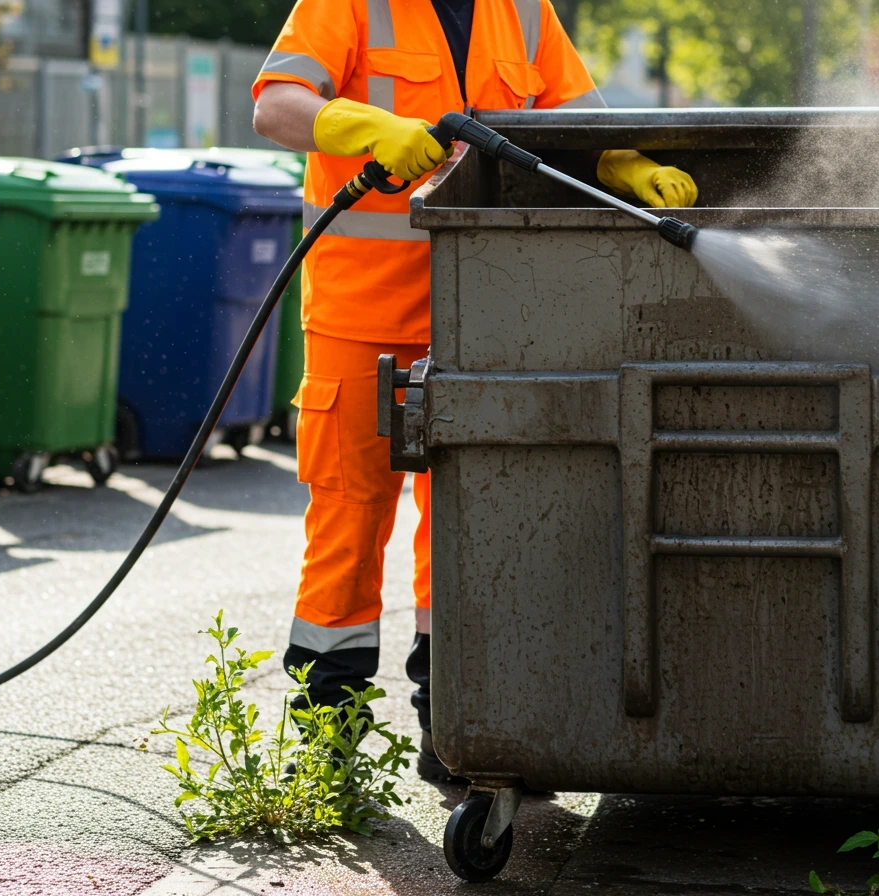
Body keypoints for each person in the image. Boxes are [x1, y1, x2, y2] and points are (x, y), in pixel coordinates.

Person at [253, 0, 698, 782]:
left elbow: (581, 126)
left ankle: (457, 727)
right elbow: (276, 105)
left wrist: (624, 165)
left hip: (483, 314)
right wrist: (364, 128)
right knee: (349, 517)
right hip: (363, 315)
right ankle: (328, 730)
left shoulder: (523, 11)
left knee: (470, 520)